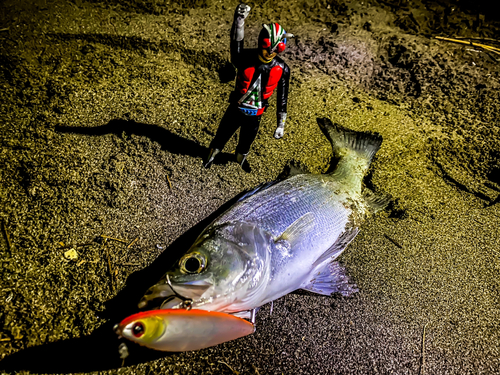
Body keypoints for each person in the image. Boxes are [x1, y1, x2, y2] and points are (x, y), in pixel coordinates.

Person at [204, 3, 293, 170]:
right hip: (236, 108)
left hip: (256, 114)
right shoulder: (244, 58)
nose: (271, 52)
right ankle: (211, 155)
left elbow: (283, 98)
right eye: (268, 46)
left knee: (246, 141)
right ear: (261, 42)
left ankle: (240, 159)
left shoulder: (282, 69)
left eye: (277, 48)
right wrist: (239, 21)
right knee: (221, 136)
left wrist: (281, 124)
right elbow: (236, 44)